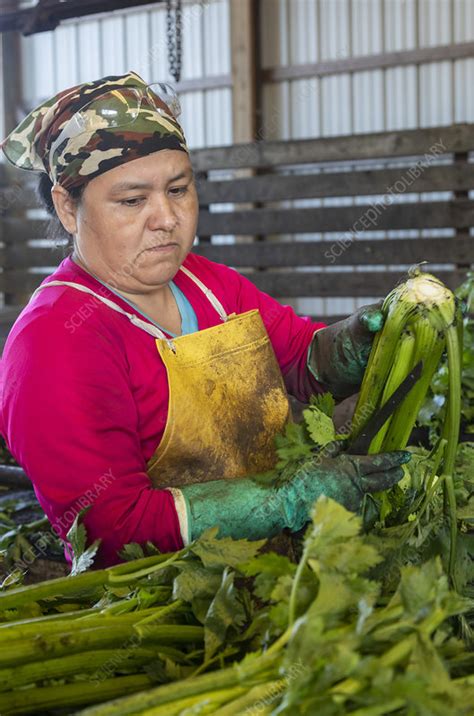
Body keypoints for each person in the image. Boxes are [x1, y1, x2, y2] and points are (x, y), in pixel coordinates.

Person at [0, 71, 409, 568]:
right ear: (68, 207)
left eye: (178, 189)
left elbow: (300, 360)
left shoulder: (208, 285)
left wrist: (349, 346)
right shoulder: (54, 343)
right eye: (132, 201)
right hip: (164, 597)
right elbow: (109, 530)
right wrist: (282, 503)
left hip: (281, 566)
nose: (167, 219)